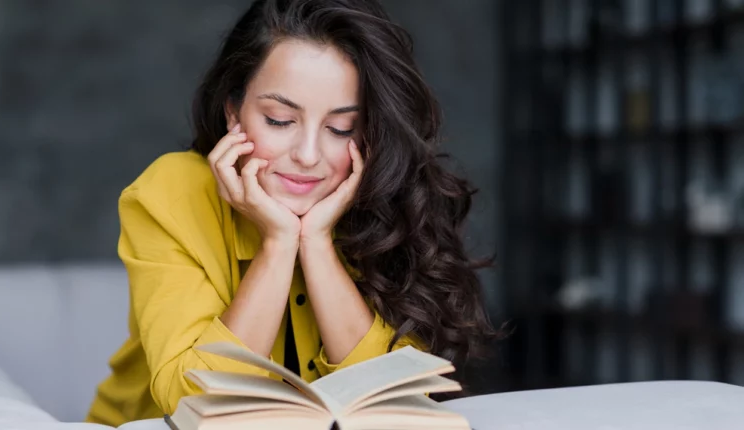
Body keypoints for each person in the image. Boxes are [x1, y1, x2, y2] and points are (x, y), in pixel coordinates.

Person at [86, 0, 500, 425]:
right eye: (280, 120)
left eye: (341, 129)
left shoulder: (383, 197)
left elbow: (392, 402)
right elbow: (191, 400)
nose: (307, 156)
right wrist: (279, 242)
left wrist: (316, 242)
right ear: (234, 112)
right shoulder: (170, 193)